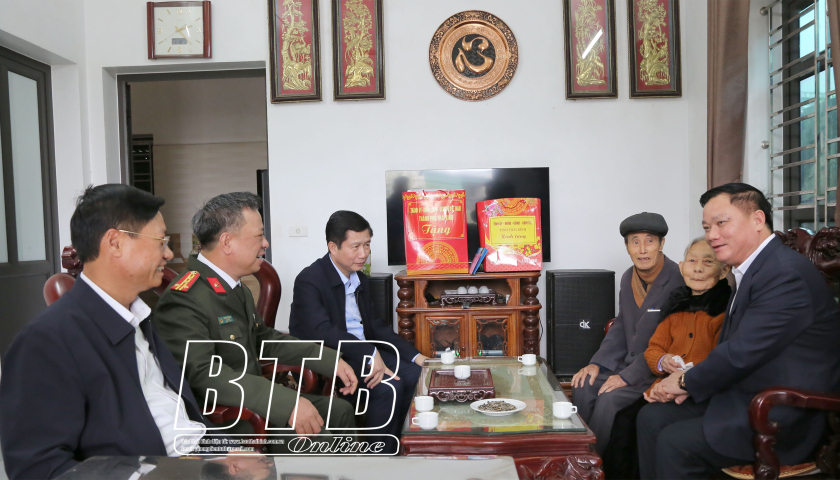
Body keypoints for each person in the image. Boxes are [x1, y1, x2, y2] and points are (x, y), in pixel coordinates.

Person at [0, 184, 216, 479]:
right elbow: (37, 467)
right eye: (160, 241)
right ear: (114, 243)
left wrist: (224, 449)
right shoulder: (46, 341)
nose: (167, 254)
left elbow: (172, 413)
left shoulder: (138, 317)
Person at [638, 183, 840, 479]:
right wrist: (690, 385)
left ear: (758, 220)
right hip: (740, 394)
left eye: (721, 223)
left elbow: (741, 353)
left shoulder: (785, 273)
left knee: (676, 443)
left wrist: (683, 382)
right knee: (650, 418)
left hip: (780, 412)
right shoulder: (753, 268)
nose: (711, 235)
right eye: (707, 227)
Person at [153, 192, 358, 450]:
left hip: (255, 403)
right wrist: (285, 402)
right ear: (227, 242)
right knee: (321, 441)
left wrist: (329, 359)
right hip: (229, 419)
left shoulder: (235, 287)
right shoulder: (184, 298)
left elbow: (264, 340)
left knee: (340, 410)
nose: (266, 243)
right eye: (259, 235)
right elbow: (203, 375)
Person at [289, 210, 427, 452]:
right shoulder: (309, 280)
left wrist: (416, 356)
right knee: (388, 386)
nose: (363, 254)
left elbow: (375, 326)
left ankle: (397, 445)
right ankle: (378, 456)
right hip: (334, 357)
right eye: (356, 247)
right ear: (333, 246)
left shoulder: (360, 280)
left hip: (364, 353)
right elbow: (322, 331)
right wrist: (369, 351)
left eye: (367, 245)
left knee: (415, 374)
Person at [570, 212, 684, 455]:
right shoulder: (627, 276)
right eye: (635, 242)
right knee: (583, 384)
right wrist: (596, 364)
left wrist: (627, 377)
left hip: (653, 370)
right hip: (623, 363)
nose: (642, 249)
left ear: (662, 244)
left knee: (609, 399)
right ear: (626, 247)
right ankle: (577, 453)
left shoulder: (679, 280)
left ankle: (593, 463)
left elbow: (672, 342)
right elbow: (621, 325)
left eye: (650, 241)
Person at [643, 237, 731, 398]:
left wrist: (683, 384)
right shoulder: (676, 307)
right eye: (692, 260)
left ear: (724, 270)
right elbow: (653, 349)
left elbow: (720, 365)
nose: (698, 268)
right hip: (663, 389)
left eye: (708, 262)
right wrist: (663, 360)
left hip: (700, 393)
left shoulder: (724, 312)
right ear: (682, 268)